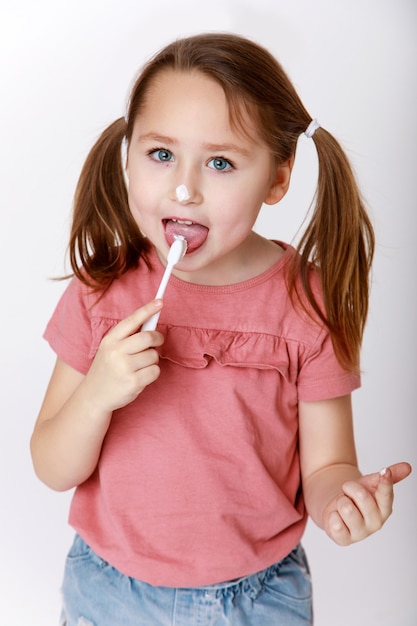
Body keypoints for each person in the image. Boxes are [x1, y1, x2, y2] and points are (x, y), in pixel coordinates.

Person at [30, 33, 411, 626]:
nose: (185, 189)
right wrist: (98, 393)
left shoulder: (307, 304)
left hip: (259, 600)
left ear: (278, 179)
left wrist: (345, 503)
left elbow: (327, 466)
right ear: (128, 154)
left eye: (220, 163)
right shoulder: (103, 290)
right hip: (106, 592)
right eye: (161, 155)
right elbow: (53, 466)